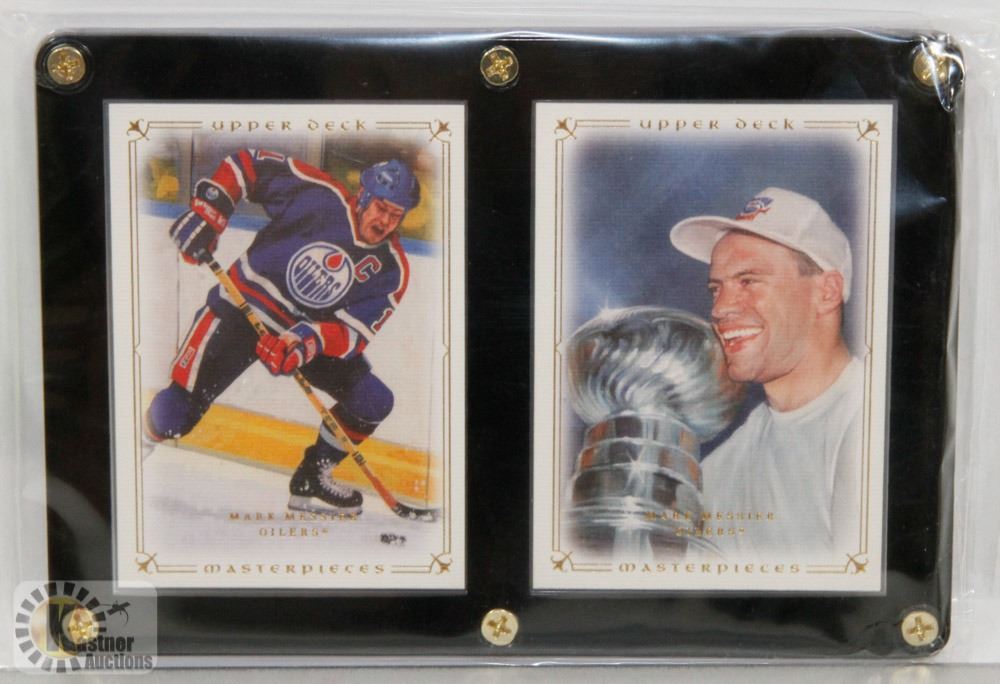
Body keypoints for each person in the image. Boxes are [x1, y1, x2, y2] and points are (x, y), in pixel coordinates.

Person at [144, 149, 420, 517]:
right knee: (175, 415)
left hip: (300, 336)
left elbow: (352, 334)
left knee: (372, 400)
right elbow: (246, 164)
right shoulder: (320, 194)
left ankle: (312, 479)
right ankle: (131, 451)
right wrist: (210, 213)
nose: (385, 221)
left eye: (395, 215)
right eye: (381, 208)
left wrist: (307, 342)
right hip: (242, 309)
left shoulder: (392, 269)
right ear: (364, 196)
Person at [669, 187, 862, 559]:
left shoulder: (875, 424)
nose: (720, 309)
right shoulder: (719, 469)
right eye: (716, 289)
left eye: (748, 281)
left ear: (826, 292)